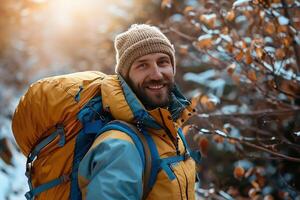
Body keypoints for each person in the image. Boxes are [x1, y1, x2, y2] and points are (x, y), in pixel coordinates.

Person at [78, 24, 197, 200]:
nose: (156, 74)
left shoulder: (170, 128)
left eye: (162, 62)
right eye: (142, 65)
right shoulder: (120, 147)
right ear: (126, 78)